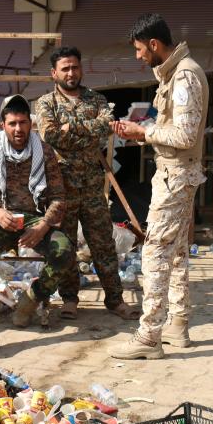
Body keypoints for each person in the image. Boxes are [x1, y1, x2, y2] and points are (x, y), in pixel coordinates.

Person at [108, 14, 207, 360]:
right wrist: (143, 131)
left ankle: (149, 336)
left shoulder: (184, 76)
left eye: (139, 49)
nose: (137, 57)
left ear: (154, 44)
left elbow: (185, 135)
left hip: (176, 177)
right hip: (173, 173)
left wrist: (143, 133)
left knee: (154, 252)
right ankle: (178, 324)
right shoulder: (176, 74)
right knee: (177, 252)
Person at [0, 94, 75, 350]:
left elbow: (58, 198)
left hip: (35, 219)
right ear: (3, 125)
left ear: (31, 124)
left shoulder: (45, 152)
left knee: (64, 250)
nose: (18, 129)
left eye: (23, 122)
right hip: (0, 219)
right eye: (12, 123)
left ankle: (33, 297)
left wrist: (43, 226)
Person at [35, 46, 140, 322]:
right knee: (67, 246)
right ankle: (70, 299)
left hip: (93, 186)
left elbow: (105, 128)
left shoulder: (97, 99)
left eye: (75, 67)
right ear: (54, 73)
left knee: (103, 244)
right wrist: (86, 129)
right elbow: (50, 135)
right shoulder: (46, 103)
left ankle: (115, 300)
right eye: (65, 68)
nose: (71, 73)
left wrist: (70, 129)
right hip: (62, 189)